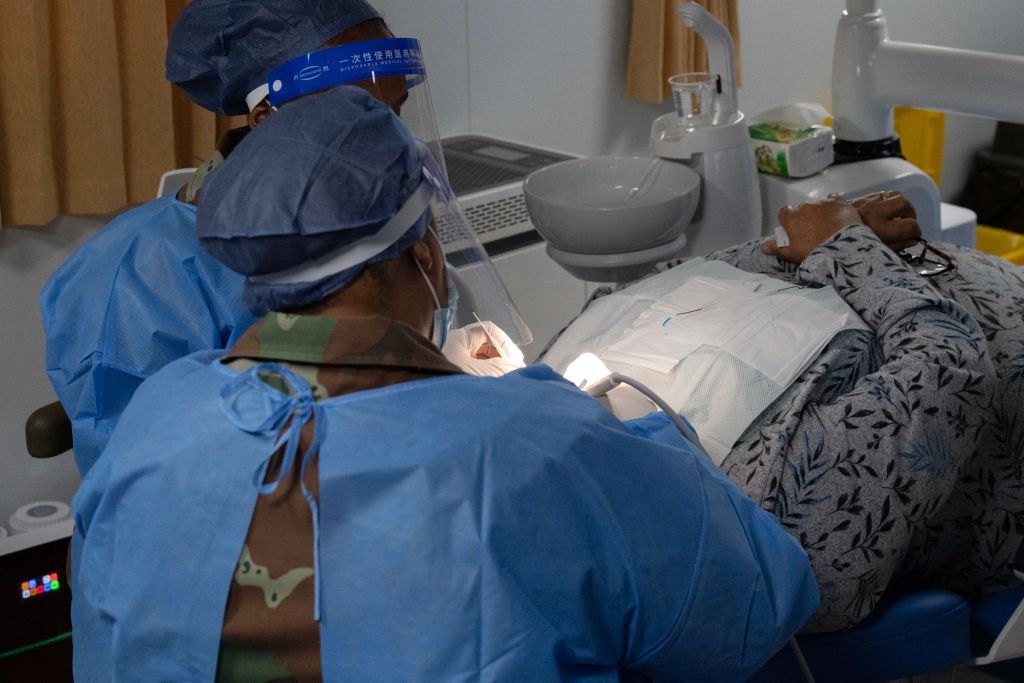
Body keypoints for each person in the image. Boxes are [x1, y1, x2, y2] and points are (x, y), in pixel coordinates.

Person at [71, 86, 819, 682]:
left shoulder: (158, 416)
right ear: (427, 255)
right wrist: (653, 448)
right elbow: (753, 602)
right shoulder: (528, 446)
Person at [548, 191, 1020, 633]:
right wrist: (845, 247)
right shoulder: (770, 532)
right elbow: (950, 367)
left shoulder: (553, 370)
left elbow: (675, 281)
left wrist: (815, 240)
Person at [40, 0, 397, 476]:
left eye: (395, 114)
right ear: (268, 116)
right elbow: (153, 484)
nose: (388, 144)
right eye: (358, 118)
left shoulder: (366, 218)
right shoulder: (141, 275)